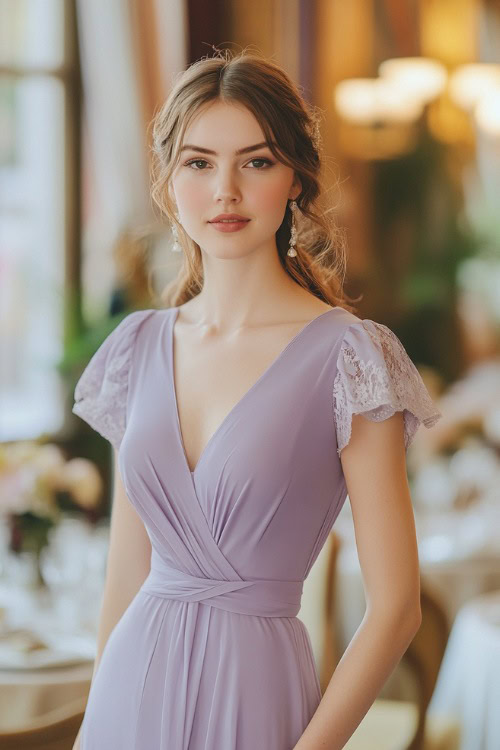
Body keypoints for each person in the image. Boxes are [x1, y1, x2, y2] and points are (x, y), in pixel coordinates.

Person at [71, 49, 442, 750]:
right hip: (129, 692)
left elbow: (396, 608)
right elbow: (126, 573)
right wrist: (100, 718)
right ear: (167, 182)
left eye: (257, 161)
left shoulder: (351, 358)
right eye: (199, 163)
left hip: (259, 694)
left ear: (296, 176)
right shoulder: (135, 347)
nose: (226, 193)